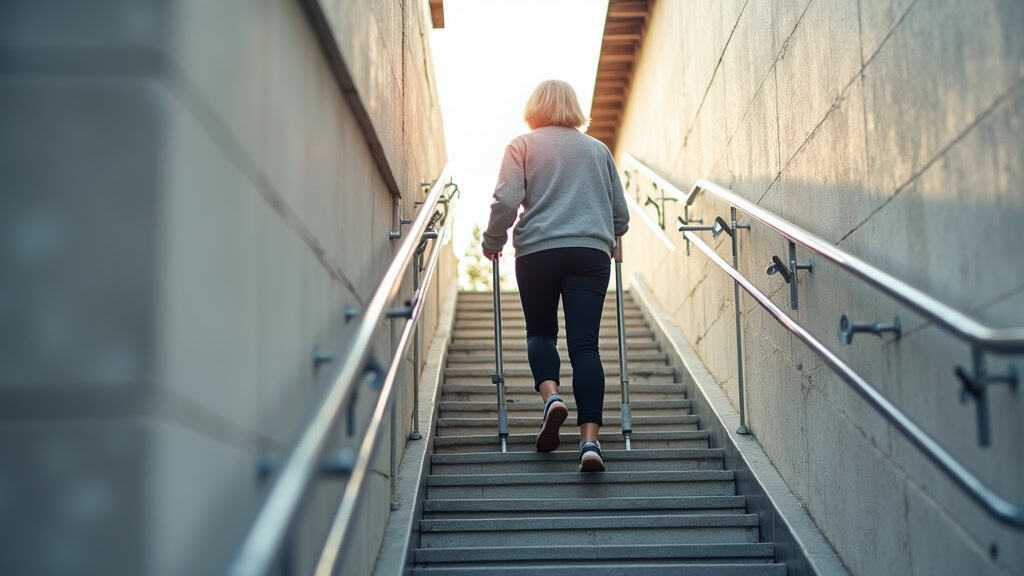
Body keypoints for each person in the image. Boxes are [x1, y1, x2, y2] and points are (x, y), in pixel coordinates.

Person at [481, 79, 629, 472]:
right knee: (586, 348)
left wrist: (493, 239)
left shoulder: (522, 145)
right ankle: (590, 444)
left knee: (541, 333)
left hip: (538, 251)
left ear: (534, 107)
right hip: (590, 251)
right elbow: (621, 216)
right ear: (573, 107)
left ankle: (551, 397)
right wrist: (610, 233)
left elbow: (507, 199)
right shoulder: (598, 150)